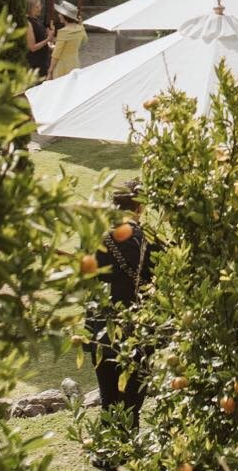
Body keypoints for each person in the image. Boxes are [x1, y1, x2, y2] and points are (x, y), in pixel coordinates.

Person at [87, 181, 155, 431]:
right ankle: (129, 452)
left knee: (108, 400)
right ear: (138, 205)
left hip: (100, 329)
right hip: (135, 330)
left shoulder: (96, 236)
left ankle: (107, 460)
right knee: (132, 404)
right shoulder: (146, 240)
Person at [50, 0, 88, 78]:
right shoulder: (80, 28)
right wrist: (81, 25)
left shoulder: (63, 32)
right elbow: (85, 41)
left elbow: (56, 55)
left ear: (64, 16)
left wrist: (50, 70)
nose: (59, 15)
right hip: (75, 64)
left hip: (62, 67)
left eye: (60, 13)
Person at [25, 0, 54, 78]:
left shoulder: (36, 20)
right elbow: (32, 47)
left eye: (40, 5)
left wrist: (48, 36)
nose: (40, 8)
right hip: (35, 64)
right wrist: (48, 39)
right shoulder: (28, 23)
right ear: (30, 8)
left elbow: (40, 40)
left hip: (43, 61)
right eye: (37, 7)